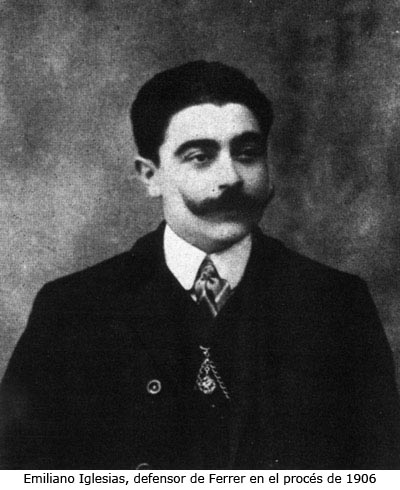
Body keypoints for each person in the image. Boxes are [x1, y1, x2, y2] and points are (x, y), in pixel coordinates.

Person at [1, 61, 399, 470]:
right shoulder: (72, 310)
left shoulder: (337, 304)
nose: (231, 177)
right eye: (200, 157)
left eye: (247, 153)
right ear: (150, 176)